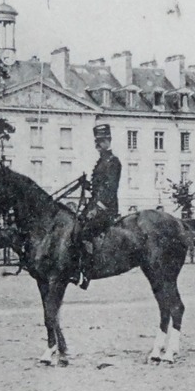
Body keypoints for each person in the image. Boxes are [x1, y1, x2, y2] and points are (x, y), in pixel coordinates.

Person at [74, 122, 121, 289]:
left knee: (86, 232)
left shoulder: (113, 162)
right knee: (75, 226)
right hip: (94, 205)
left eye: (101, 141)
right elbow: (98, 187)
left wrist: (97, 208)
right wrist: (86, 184)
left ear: (108, 141)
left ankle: (88, 271)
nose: (98, 145)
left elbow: (110, 188)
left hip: (106, 208)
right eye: (97, 141)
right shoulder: (101, 162)